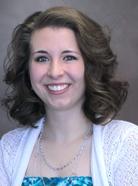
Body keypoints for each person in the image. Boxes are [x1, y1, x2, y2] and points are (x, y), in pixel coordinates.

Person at [0, 6, 138, 186]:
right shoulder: (9, 147)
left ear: (91, 65)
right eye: (42, 58)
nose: (55, 72)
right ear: (27, 69)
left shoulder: (126, 143)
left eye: (69, 57)